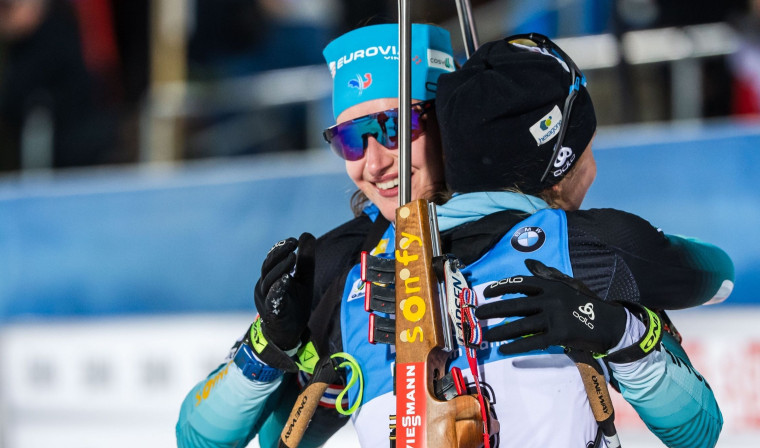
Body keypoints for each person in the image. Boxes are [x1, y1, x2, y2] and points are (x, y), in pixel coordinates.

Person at [427, 34, 734, 447]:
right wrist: (625, 331)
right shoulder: (594, 248)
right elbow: (699, 431)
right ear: (563, 158)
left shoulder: (359, 262)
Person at [176, 22, 462, 448]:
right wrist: (271, 348)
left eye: (394, 127)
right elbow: (202, 438)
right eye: (351, 139)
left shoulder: (530, 226)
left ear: (449, 119)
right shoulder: (343, 267)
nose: (374, 163)